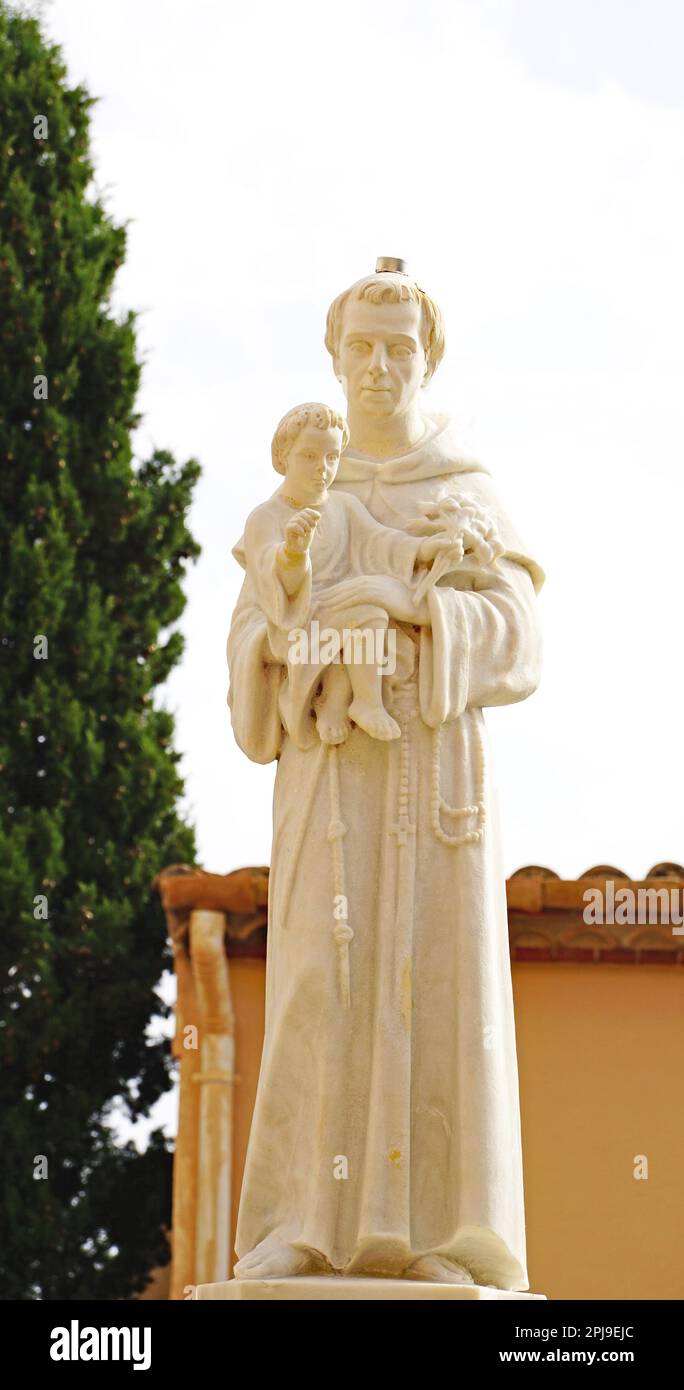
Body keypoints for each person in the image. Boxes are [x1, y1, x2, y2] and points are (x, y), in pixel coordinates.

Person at [228, 263, 545, 1287]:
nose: (377, 364)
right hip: (328, 779)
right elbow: (249, 646)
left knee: (436, 986)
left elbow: (520, 641)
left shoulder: (467, 489)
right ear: (334, 357)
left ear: (427, 357)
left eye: (396, 346)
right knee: (321, 982)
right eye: (360, 345)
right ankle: (299, 1225)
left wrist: (417, 611)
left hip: (437, 772)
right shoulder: (301, 498)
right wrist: (291, 638)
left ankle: (441, 1239)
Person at [234, 400, 466, 744]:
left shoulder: (343, 506)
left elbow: (380, 543)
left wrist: (425, 549)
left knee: (366, 611)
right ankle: (347, 702)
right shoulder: (266, 517)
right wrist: (292, 553)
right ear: (284, 458)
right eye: (309, 457)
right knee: (360, 612)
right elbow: (268, 572)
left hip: (339, 609)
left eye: (331, 458)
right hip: (295, 621)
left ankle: (356, 703)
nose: (322, 469)